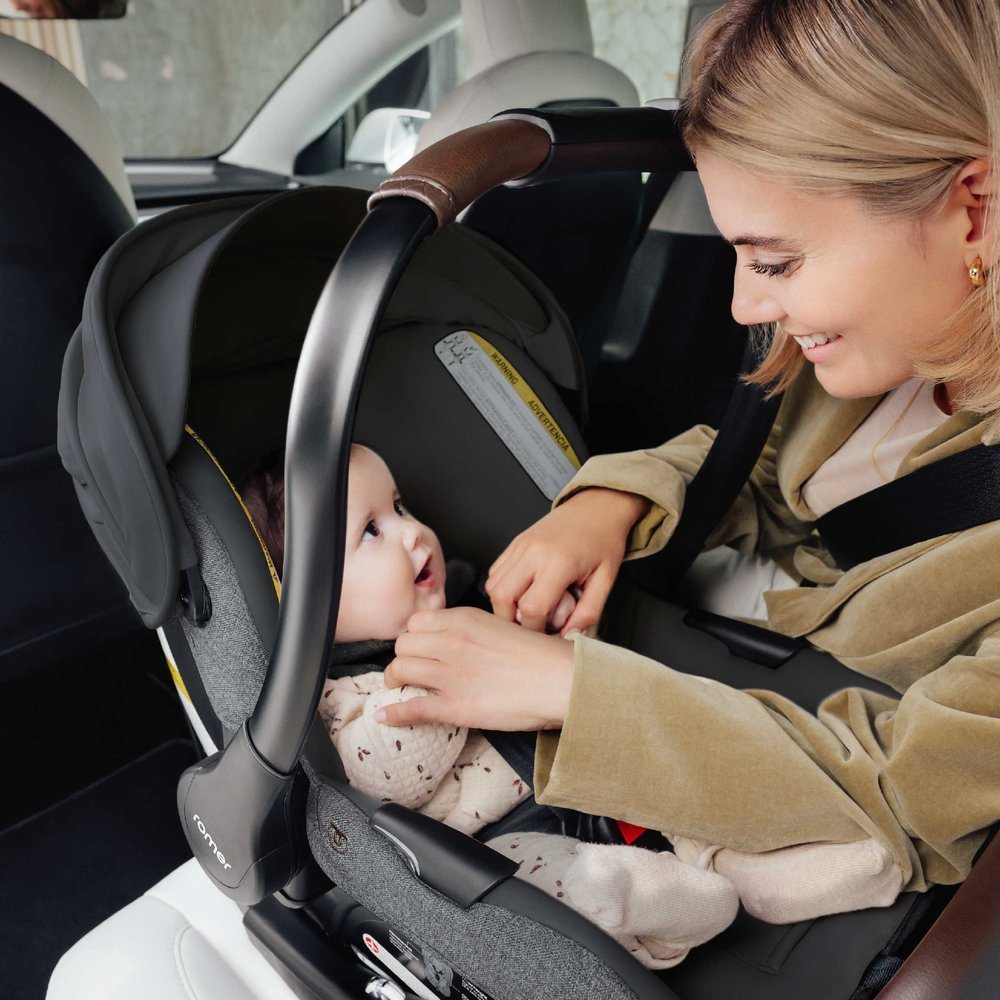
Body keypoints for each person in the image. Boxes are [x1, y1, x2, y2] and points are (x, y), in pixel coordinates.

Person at [373, 0, 1000, 919]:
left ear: (973, 211)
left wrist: (570, 696)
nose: (745, 305)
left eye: (776, 262)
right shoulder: (886, 356)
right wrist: (611, 504)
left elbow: (908, 785)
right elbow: (758, 460)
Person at [241, 444, 902, 968]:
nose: (415, 535)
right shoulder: (335, 697)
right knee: (542, 888)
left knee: (662, 773)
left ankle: (751, 869)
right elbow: (382, 772)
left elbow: (554, 680)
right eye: (371, 533)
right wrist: (451, 675)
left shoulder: (469, 601)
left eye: (403, 509)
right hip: (493, 843)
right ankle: (630, 904)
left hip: (580, 771)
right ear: (306, 607)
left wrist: (549, 636)